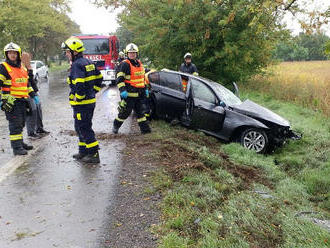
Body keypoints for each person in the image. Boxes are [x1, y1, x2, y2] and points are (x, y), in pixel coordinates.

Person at [61, 36, 103, 164]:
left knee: (84, 127)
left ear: (74, 52)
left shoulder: (77, 65)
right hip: (89, 102)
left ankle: (93, 154)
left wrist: (78, 98)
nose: (66, 54)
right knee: (80, 126)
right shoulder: (88, 62)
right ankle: (83, 150)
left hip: (82, 104)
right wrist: (93, 91)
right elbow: (99, 78)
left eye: (68, 52)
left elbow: (79, 84)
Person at [0, 42, 35, 155]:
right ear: (6, 54)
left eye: (14, 53)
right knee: (15, 124)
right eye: (9, 53)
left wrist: (33, 94)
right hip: (11, 101)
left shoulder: (22, 67)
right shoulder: (3, 67)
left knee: (21, 123)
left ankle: (20, 143)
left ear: (18, 54)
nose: (12, 55)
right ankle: (16, 148)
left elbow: (26, 83)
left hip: (23, 100)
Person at [112, 43, 151, 134]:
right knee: (126, 112)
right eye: (130, 53)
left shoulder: (139, 64)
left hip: (139, 93)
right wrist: (122, 90)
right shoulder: (125, 64)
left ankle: (145, 130)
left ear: (137, 53)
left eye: (134, 52)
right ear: (127, 54)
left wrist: (145, 89)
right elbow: (119, 79)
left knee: (141, 112)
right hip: (128, 94)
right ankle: (116, 125)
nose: (132, 54)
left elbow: (142, 78)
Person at [22, 52, 50, 139]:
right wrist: (32, 94)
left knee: (38, 108)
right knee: (32, 110)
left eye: (29, 57)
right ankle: (31, 133)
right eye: (27, 58)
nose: (29, 59)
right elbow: (26, 83)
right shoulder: (21, 68)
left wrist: (36, 92)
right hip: (25, 93)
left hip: (32, 91)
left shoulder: (28, 67)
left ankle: (39, 128)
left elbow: (32, 81)